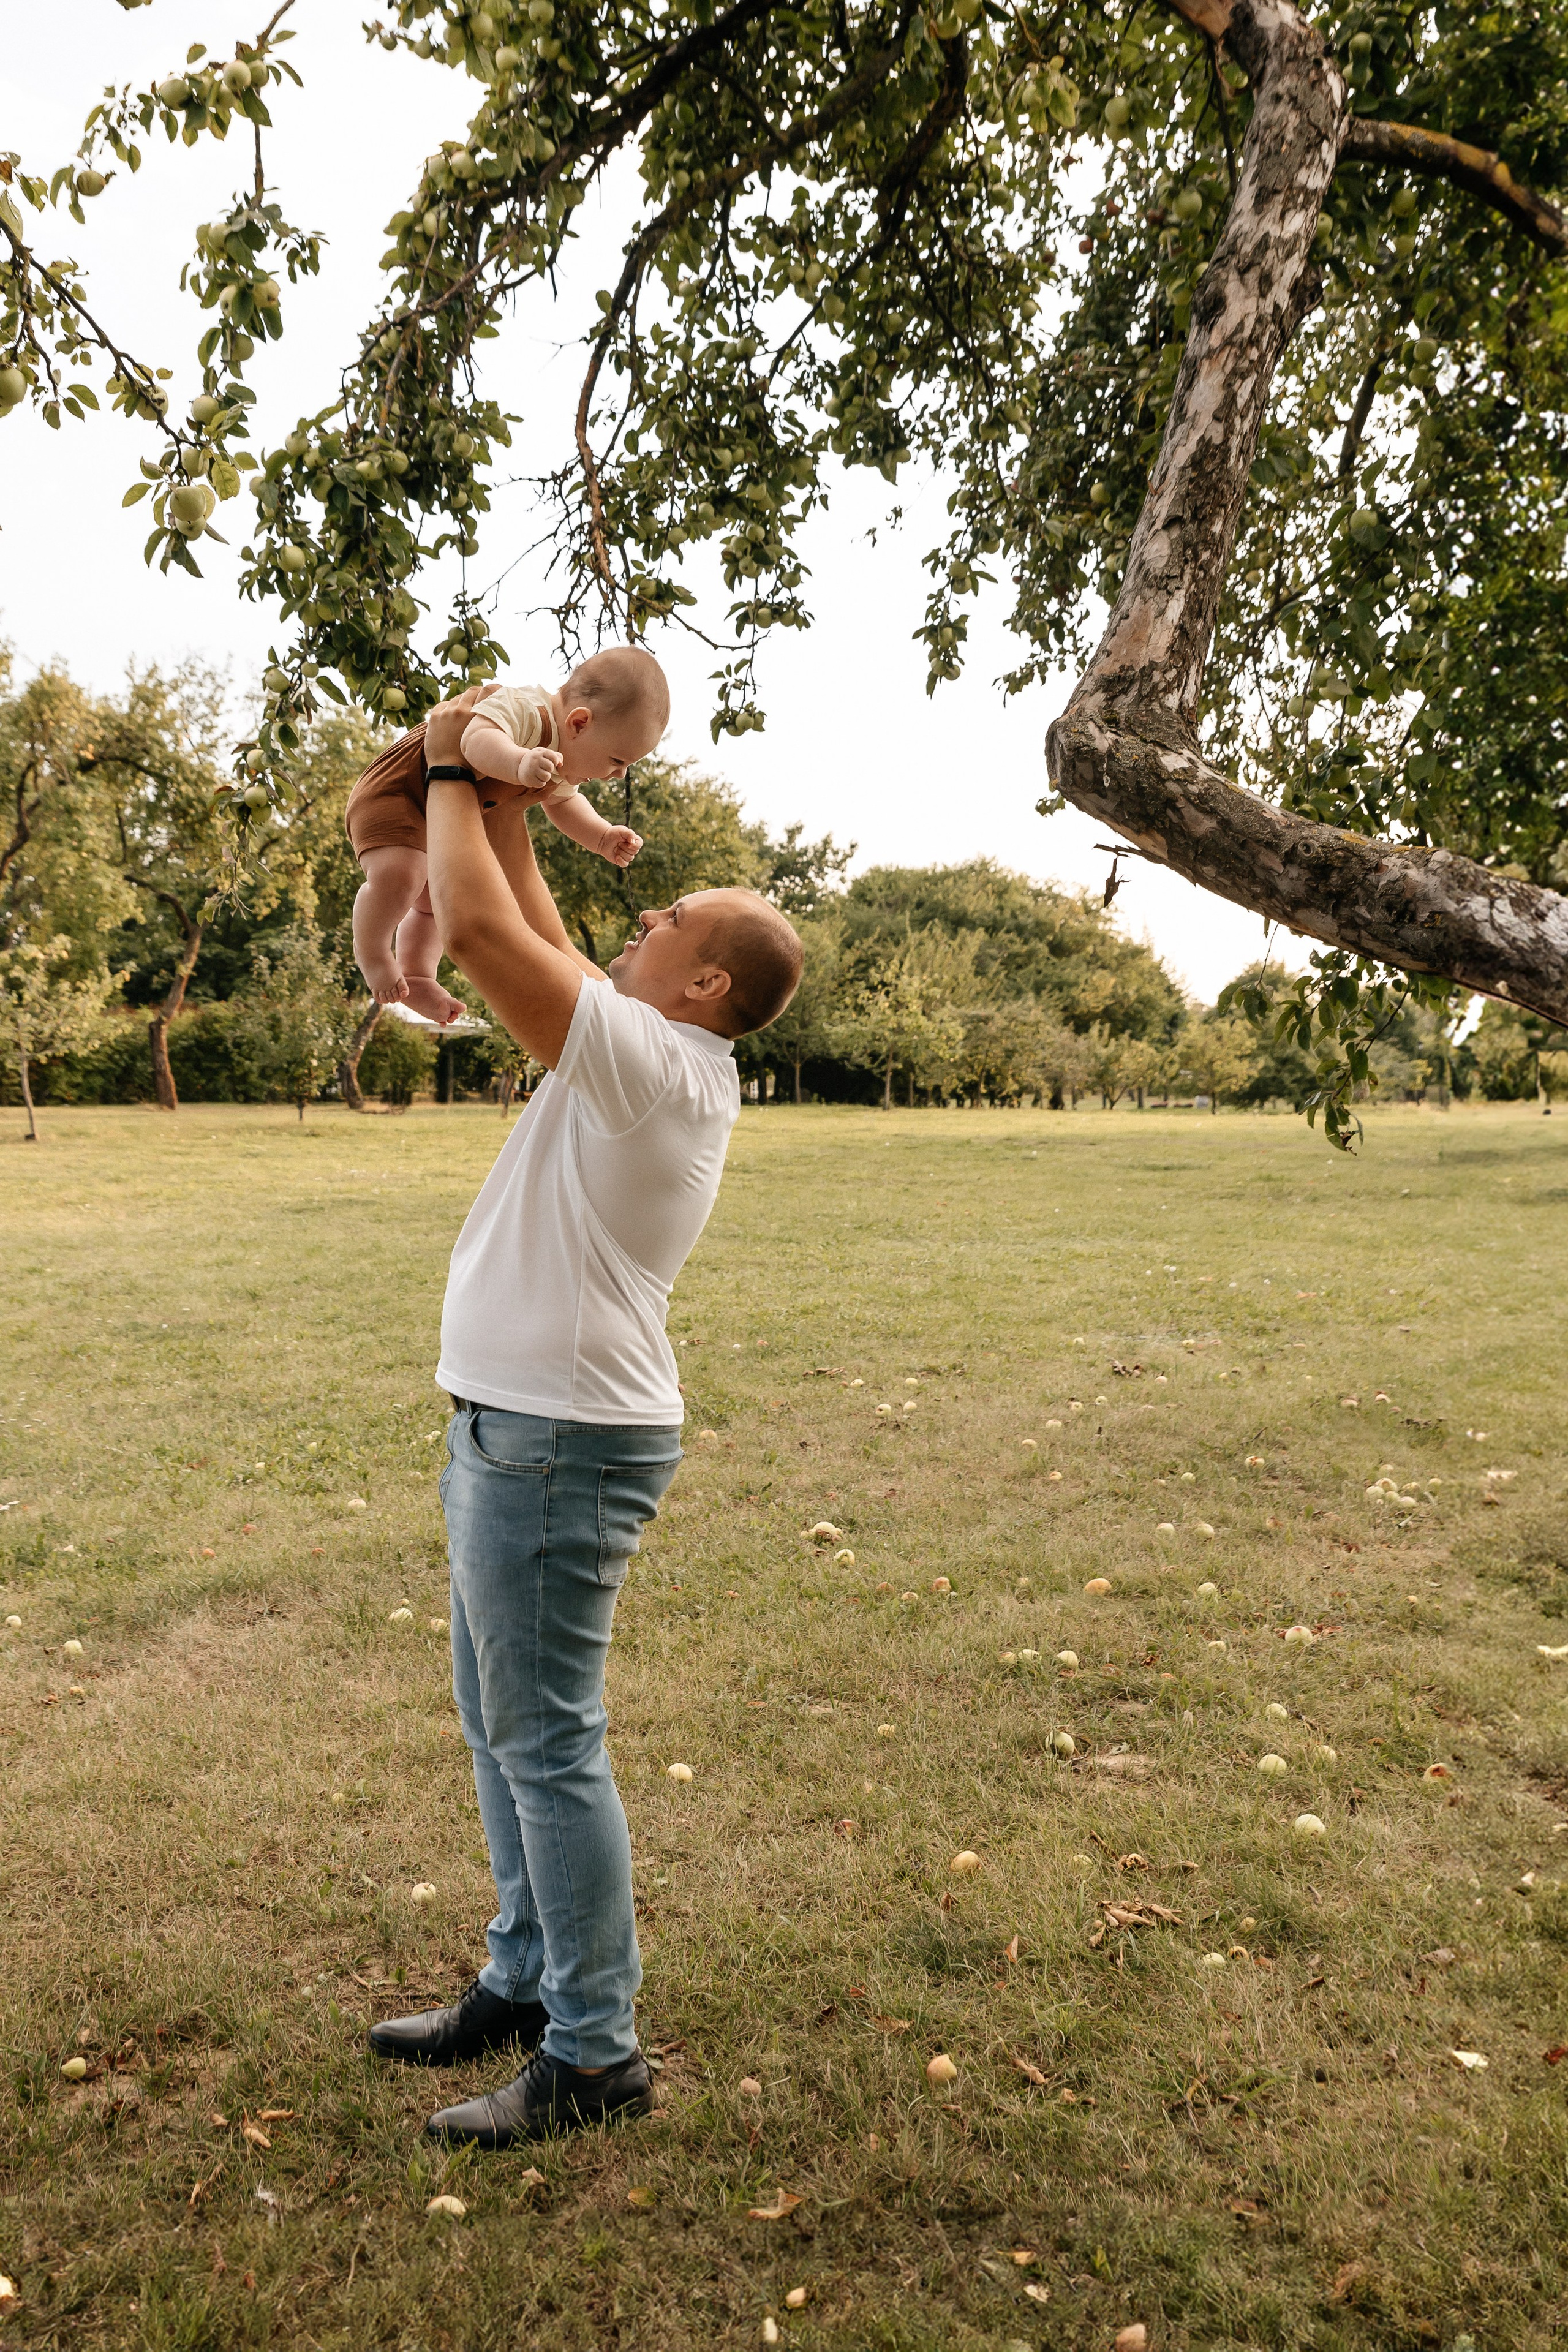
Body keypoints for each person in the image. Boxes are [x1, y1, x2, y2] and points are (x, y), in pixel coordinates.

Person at [366, 689, 803, 2148]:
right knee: (501, 1723)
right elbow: (539, 919)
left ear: (701, 986)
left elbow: (492, 941)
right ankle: (524, 1973)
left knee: (544, 1736)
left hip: (559, 1438)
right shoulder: (643, 1037)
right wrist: (507, 791)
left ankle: (597, 2050)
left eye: (668, 917)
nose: (643, 916)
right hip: (513, 1423)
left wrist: (445, 759)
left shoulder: (657, 1065)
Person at [345, 646, 666, 1025]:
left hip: (437, 808)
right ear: (579, 723)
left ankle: (417, 974)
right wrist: (519, 761)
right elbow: (473, 740)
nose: (619, 775)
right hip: (398, 791)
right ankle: (373, 951)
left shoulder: (562, 758)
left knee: (434, 900)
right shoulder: (527, 710)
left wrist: (602, 836)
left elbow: (564, 805)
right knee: (402, 874)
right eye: (619, 761)